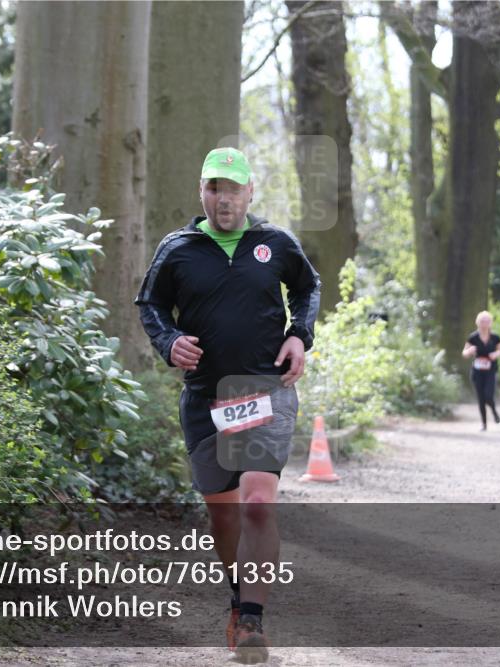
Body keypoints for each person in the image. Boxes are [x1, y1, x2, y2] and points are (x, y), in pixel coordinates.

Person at [134, 147, 321, 662]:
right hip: (205, 396)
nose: (224, 198)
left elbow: (307, 287)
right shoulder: (178, 248)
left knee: (257, 501)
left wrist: (299, 335)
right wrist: (168, 341)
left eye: (233, 188)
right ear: (202, 192)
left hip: (263, 386)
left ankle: (254, 622)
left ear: (249, 192)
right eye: (214, 188)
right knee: (223, 516)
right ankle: (239, 603)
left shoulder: (275, 243)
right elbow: (150, 304)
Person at [462, 310, 500, 431]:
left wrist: (496, 354)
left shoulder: (495, 337)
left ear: (490, 323)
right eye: (482, 321)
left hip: (490, 370)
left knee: (488, 395)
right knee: (481, 397)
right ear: (477, 322)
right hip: (477, 372)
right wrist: (469, 351)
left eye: (487, 321)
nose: (484, 323)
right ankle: (484, 424)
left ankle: (494, 411)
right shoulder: (473, 337)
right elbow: (464, 352)